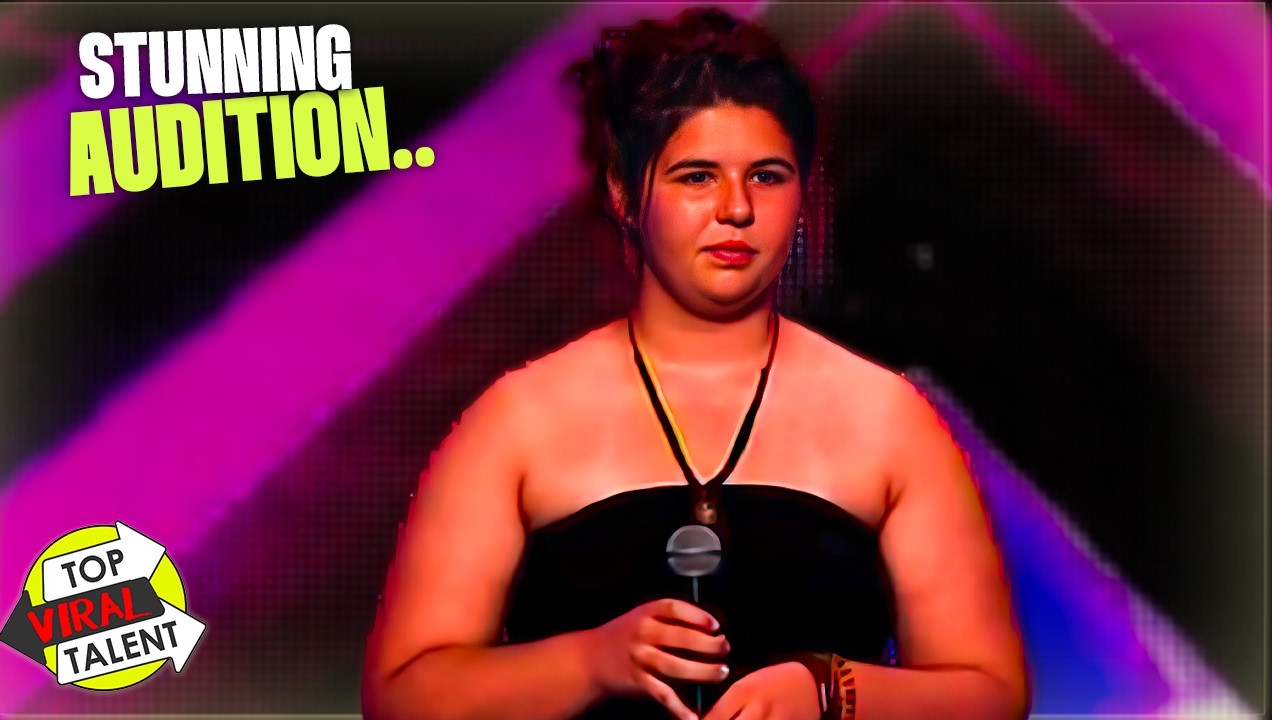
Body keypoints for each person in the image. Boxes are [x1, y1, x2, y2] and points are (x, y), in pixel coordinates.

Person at [362, 8, 1028, 720]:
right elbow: (401, 694)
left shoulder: (889, 420)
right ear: (625, 193)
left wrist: (828, 689)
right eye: (697, 177)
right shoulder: (518, 421)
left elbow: (990, 693)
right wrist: (589, 662)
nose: (736, 209)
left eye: (766, 176)